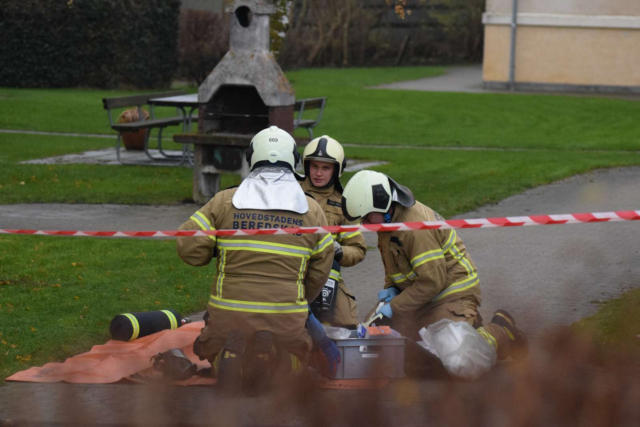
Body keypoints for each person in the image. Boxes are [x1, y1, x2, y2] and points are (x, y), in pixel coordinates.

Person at [176, 126, 338, 395]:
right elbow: (322, 267)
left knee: (207, 348)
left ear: (251, 157)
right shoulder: (313, 210)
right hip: (286, 318)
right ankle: (278, 360)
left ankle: (225, 359)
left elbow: (187, 246)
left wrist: (214, 248)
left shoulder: (224, 201)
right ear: (293, 160)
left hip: (228, 316)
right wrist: (298, 298)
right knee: (303, 354)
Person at [340, 170, 529, 363]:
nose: (364, 223)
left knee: (457, 361)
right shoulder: (386, 221)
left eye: (366, 217)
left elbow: (432, 282)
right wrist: (391, 288)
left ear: (383, 205)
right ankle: (464, 326)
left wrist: (394, 307)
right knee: (372, 339)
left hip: (451, 294)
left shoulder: (413, 228)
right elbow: (394, 265)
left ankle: (499, 330)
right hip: (421, 296)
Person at [300, 135, 366, 328]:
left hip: (326, 276)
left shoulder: (344, 205)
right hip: (290, 273)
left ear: (336, 170)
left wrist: (339, 251)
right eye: (314, 166)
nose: (318, 173)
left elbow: (358, 249)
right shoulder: (289, 193)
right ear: (306, 167)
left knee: (347, 323)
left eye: (326, 168)